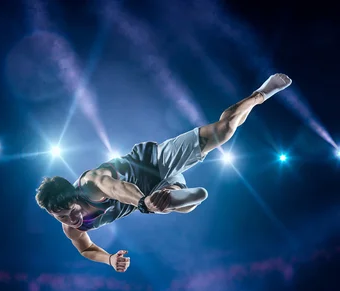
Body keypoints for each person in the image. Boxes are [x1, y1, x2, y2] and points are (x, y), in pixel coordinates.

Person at [36, 73, 292, 273]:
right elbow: (87, 249)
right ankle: (175, 195)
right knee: (178, 205)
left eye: (72, 211)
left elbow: (115, 188)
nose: (72, 219)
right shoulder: (71, 229)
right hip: (152, 194)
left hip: (153, 163)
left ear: (75, 196)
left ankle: (260, 94)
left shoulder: (90, 183)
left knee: (224, 130)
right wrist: (109, 259)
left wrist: (140, 203)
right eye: (61, 217)